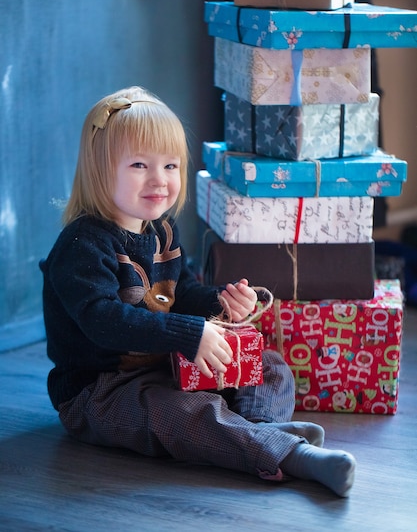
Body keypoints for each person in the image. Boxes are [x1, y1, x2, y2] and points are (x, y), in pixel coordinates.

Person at [40, 86, 356, 497]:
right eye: (140, 164)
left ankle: (257, 435)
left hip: (163, 365)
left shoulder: (161, 231)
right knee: (184, 412)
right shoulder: (82, 244)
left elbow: (181, 290)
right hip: (101, 392)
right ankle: (294, 457)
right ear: (101, 169)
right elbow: (104, 322)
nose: (160, 180)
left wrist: (219, 304)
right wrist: (190, 335)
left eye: (171, 166)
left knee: (269, 365)